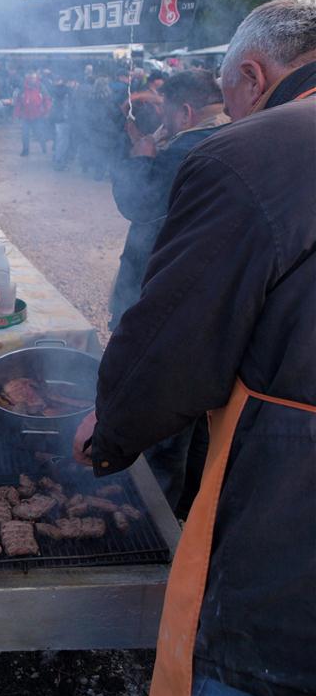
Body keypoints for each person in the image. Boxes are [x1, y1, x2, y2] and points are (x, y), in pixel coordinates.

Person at [74, 0, 316, 696]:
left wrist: (109, 429)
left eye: (228, 90)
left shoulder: (259, 153)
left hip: (291, 515)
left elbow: (173, 346)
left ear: (252, 74)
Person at [108, 70, 229, 512]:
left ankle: (158, 521)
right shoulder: (238, 136)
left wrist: (141, 153)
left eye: (169, 115)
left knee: (164, 419)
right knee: (201, 417)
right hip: (218, 303)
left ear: (185, 111)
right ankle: (189, 510)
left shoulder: (183, 149)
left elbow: (135, 204)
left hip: (167, 296)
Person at [15, 71, 50, 156]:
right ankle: (25, 150)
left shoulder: (41, 87)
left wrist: (46, 111)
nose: (32, 80)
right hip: (26, 115)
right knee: (25, 134)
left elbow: (46, 99)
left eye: (34, 78)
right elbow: (19, 101)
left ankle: (43, 147)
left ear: (36, 78)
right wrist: (18, 113)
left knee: (39, 133)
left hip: (38, 115)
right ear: (28, 78)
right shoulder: (23, 88)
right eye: (31, 78)